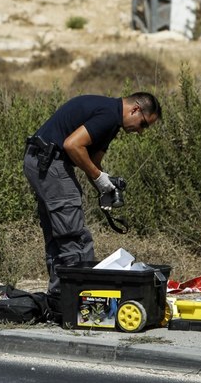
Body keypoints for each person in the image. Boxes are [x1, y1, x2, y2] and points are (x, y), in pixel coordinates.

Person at [23, 92, 161, 296]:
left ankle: (60, 299)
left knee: (58, 235)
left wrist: (104, 187)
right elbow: (73, 145)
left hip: (40, 161)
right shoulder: (109, 115)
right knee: (74, 237)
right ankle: (79, 299)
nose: (140, 131)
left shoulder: (111, 120)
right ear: (135, 109)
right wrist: (98, 177)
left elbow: (93, 163)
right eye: (143, 124)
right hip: (50, 164)